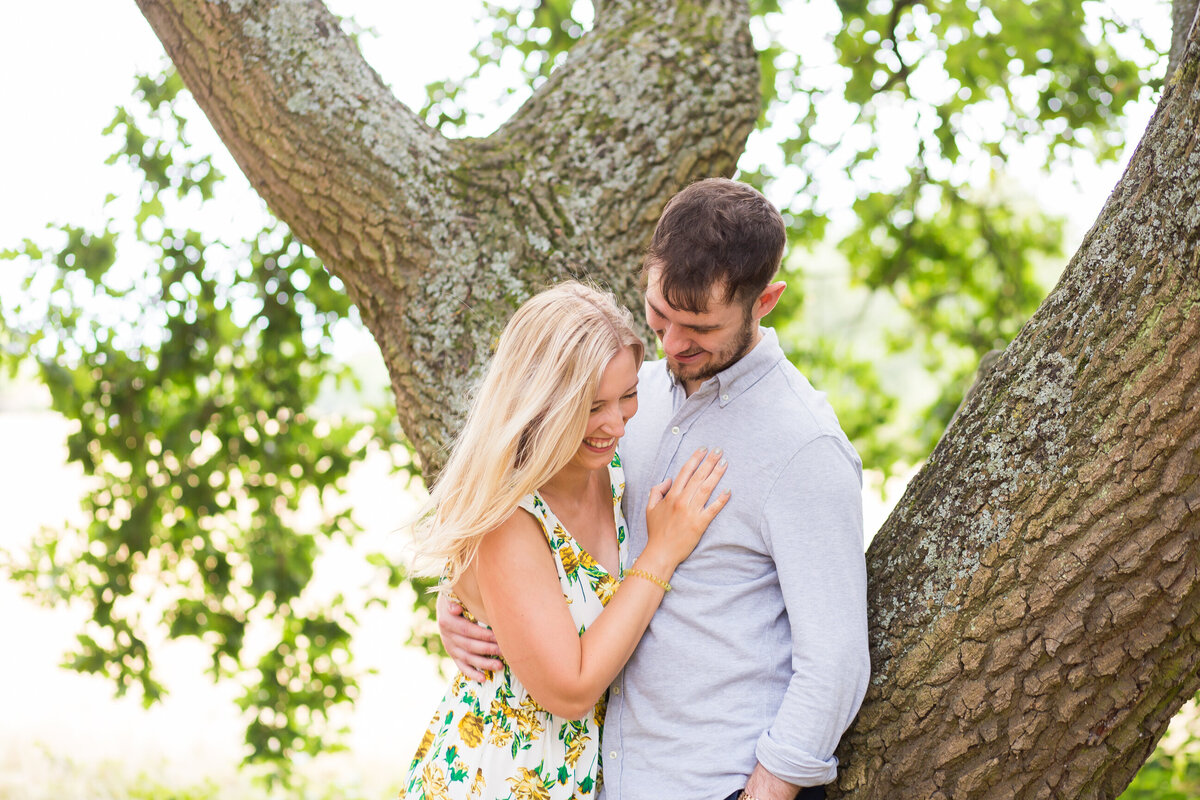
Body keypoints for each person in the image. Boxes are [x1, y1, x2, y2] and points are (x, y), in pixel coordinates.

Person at [440, 179, 870, 800]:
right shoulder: (617, 402)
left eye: (697, 327)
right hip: (600, 781)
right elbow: (538, 541)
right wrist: (466, 609)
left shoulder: (802, 447)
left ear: (765, 301)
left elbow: (834, 661)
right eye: (659, 316)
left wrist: (769, 791)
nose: (671, 346)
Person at [400, 281, 732, 800]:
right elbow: (570, 690)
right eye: (590, 406)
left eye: (627, 396)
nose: (615, 424)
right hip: (501, 779)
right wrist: (662, 553)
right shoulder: (509, 518)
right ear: (539, 402)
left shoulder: (616, 469)